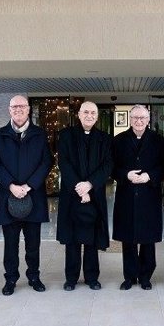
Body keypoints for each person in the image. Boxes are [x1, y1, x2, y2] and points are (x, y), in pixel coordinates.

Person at [0, 95, 52, 295]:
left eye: (22, 106)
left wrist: (29, 185)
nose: (18, 109)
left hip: (33, 196)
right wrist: (11, 186)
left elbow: (46, 162)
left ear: (28, 110)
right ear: (9, 110)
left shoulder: (40, 134)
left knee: (33, 244)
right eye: (14, 106)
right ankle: (10, 280)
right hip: (10, 197)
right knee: (10, 245)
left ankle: (34, 276)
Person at [56, 101, 112, 291]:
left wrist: (89, 185)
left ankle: (92, 277)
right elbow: (63, 163)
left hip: (94, 194)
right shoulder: (66, 135)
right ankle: (71, 278)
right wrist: (80, 188)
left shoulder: (104, 138)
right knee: (72, 238)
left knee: (92, 237)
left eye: (93, 113)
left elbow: (107, 166)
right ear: (78, 114)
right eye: (85, 112)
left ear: (97, 116)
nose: (89, 115)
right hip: (72, 195)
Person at [112, 104, 164, 290]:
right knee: (128, 239)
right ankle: (129, 277)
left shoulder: (160, 141)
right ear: (130, 119)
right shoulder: (118, 141)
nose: (139, 121)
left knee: (147, 239)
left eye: (142, 118)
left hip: (149, 196)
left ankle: (145, 277)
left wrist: (149, 175)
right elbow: (111, 167)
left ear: (148, 119)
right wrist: (125, 175)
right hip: (126, 195)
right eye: (135, 117)